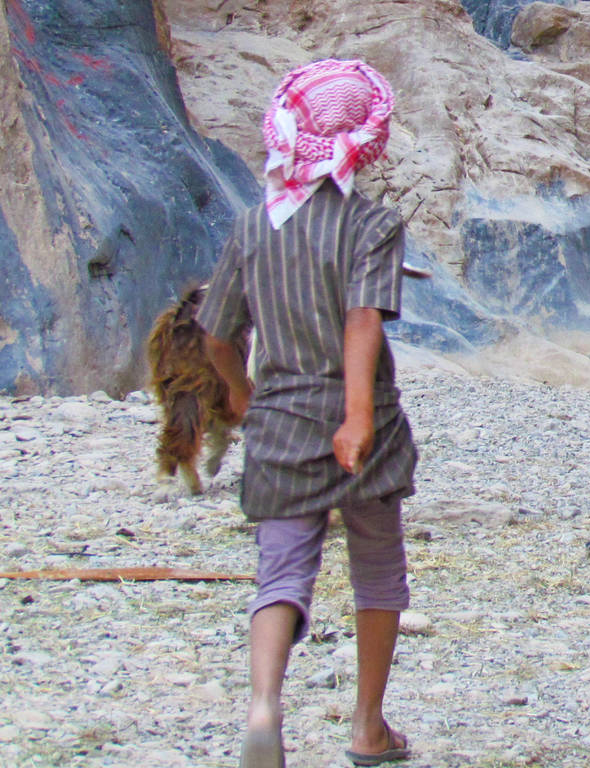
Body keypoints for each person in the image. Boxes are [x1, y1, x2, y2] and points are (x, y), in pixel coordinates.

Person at [198, 58, 418, 767]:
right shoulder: (373, 224)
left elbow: (216, 333)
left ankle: (264, 706)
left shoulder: (252, 226)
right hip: (365, 425)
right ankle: (368, 727)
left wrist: (239, 394)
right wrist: (356, 417)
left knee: (282, 573)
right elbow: (363, 319)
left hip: (280, 419)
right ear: (365, 138)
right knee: (378, 571)